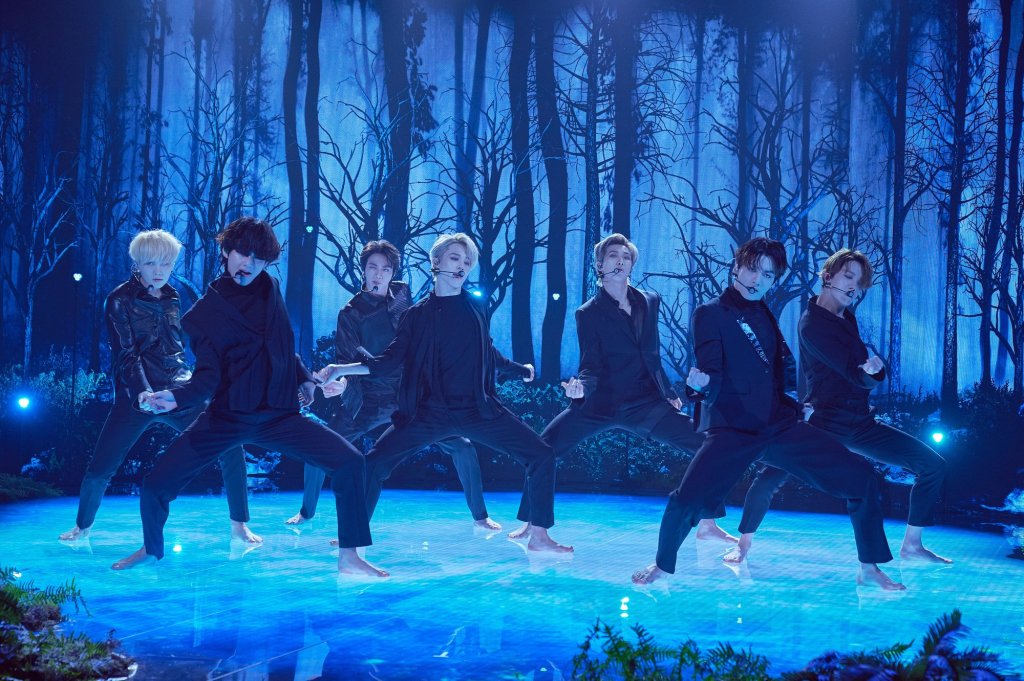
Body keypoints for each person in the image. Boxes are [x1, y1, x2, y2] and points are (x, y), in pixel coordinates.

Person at [111, 217, 385, 577]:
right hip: (228, 418)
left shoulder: (270, 287)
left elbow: (283, 347)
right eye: (243, 253)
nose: (249, 264)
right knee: (156, 484)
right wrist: (177, 399)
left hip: (280, 417)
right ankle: (151, 548)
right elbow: (208, 376)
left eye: (259, 258)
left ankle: (349, 556)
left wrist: (307, 380)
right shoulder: (202, 316)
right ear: (226, 251)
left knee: (351, 462)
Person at [632, 237, 904, 590]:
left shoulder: (763, 312)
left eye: (768, 275)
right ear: (736, 266)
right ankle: (661, 566)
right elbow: (710, 368)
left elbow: (777, 371)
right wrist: (699, 386)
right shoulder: (710, 313)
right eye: (752, 269)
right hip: (733, 428)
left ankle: (869, 569)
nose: (757, 279)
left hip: (777, 425)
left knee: (861, 476)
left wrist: (795, 406)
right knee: (687, 499)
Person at [316, 233, 571, 553]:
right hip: (429, 414)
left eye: (467, 261)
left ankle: (540, 536)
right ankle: (353, 536)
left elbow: (488, 352)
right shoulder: (416, 315)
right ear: (435, 262)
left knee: (541, 454)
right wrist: (340, 369)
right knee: (375, 463)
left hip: (477, 410)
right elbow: (387, 362)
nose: (462, 266)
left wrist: (521, 370)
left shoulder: (476, 307)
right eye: (454, 258)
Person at [725, 248, 949, 565]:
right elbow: (852, 372)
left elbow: (861, 371)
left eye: (859, 282)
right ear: (828, 276)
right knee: (771, 477)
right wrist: (871, 373)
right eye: (848, 277)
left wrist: (873, 371)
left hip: (860, 423)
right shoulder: (811, 325)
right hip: (824, 423)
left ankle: (912, 545)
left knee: (933, 465)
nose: (853, 286)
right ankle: (743, 544)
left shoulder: (846, 317)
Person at [508, 233, 734, 544]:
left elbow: (651, 354)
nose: (620, 261)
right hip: (599, 403)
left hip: (644, 403)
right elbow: (591, 363)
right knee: (543, 448)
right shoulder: (588, 312)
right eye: (613, 256)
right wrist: (581, 388)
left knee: (703, 443)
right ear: (600, 265)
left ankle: (707, 523)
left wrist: (668, 393)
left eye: (626, 257)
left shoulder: (649, 301)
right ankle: (532, 523)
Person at [59, 230, 258, 546]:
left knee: (230, 446)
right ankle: (82, 528)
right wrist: (143, 392)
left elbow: (175, 348)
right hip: (135, 397)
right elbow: (127, 354)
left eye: (165, 263)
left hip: (177, 392)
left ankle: (239, 526)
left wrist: (190, 385)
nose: (159, 271)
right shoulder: (118, 300)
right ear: (138, 263)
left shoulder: (173, 297)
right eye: (151, 263)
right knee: (101, 468)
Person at [285, 240, 500, 531]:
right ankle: (306, 512)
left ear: (393, 272)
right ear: (363, 270)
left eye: (385, 269)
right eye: (372, 268)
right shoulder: (350, 313)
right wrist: (342, 383)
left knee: (462, 446)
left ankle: (480, 516)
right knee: (319, 447)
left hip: (410, 396)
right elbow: (347, 358)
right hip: (369, 400)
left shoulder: (402, 294)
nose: (378, 274)